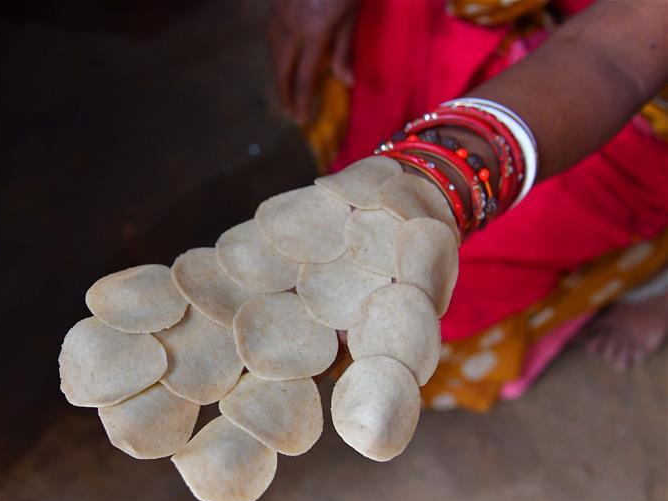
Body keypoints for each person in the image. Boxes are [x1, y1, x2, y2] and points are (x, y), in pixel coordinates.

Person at [269, 0, 668, 411]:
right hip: (471, 13)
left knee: (425, 295)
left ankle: (658, 287)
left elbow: (613, 58)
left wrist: (440, 181)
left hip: (618, 91)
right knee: (362, 145)